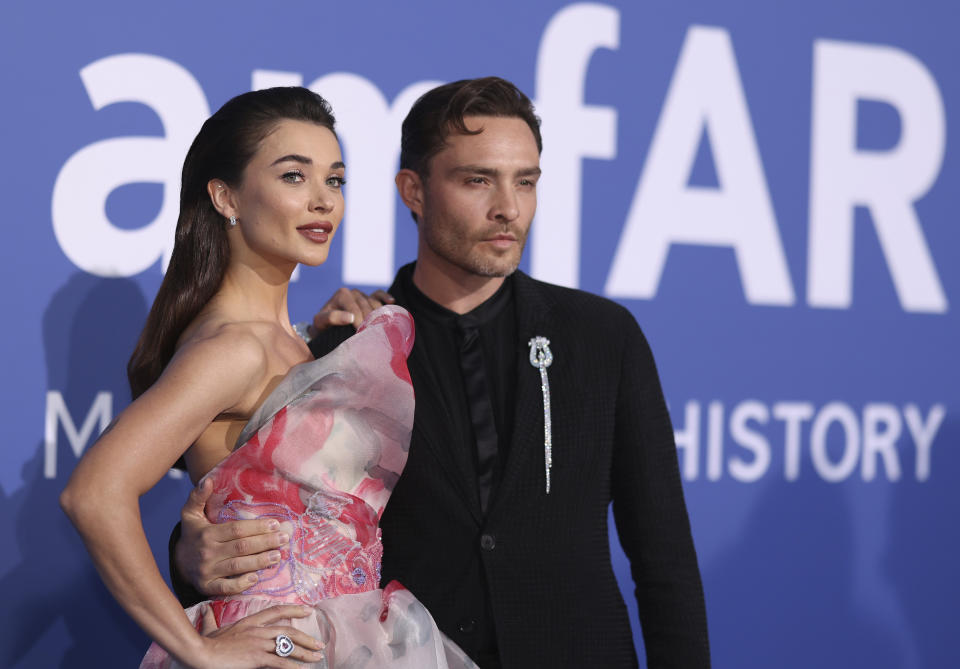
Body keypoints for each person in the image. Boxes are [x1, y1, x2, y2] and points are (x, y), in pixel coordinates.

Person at [172, 77, 711, 667]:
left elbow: (665, 560)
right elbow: (267, 509)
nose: (508, 207)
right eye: (477, 180)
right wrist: (190, 554)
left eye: (525, 181)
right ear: (414, 190)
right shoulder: (347, 346)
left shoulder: (603, 338)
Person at [60, 86, 475, 669]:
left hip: (350, 640)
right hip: (279, 646)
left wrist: (315, 346)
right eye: (292, 177)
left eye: (335, 180)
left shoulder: (289, 343)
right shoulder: (232, 347)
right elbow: (94, 493)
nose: (322, 201)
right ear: (226, 196)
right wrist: (198, 650)